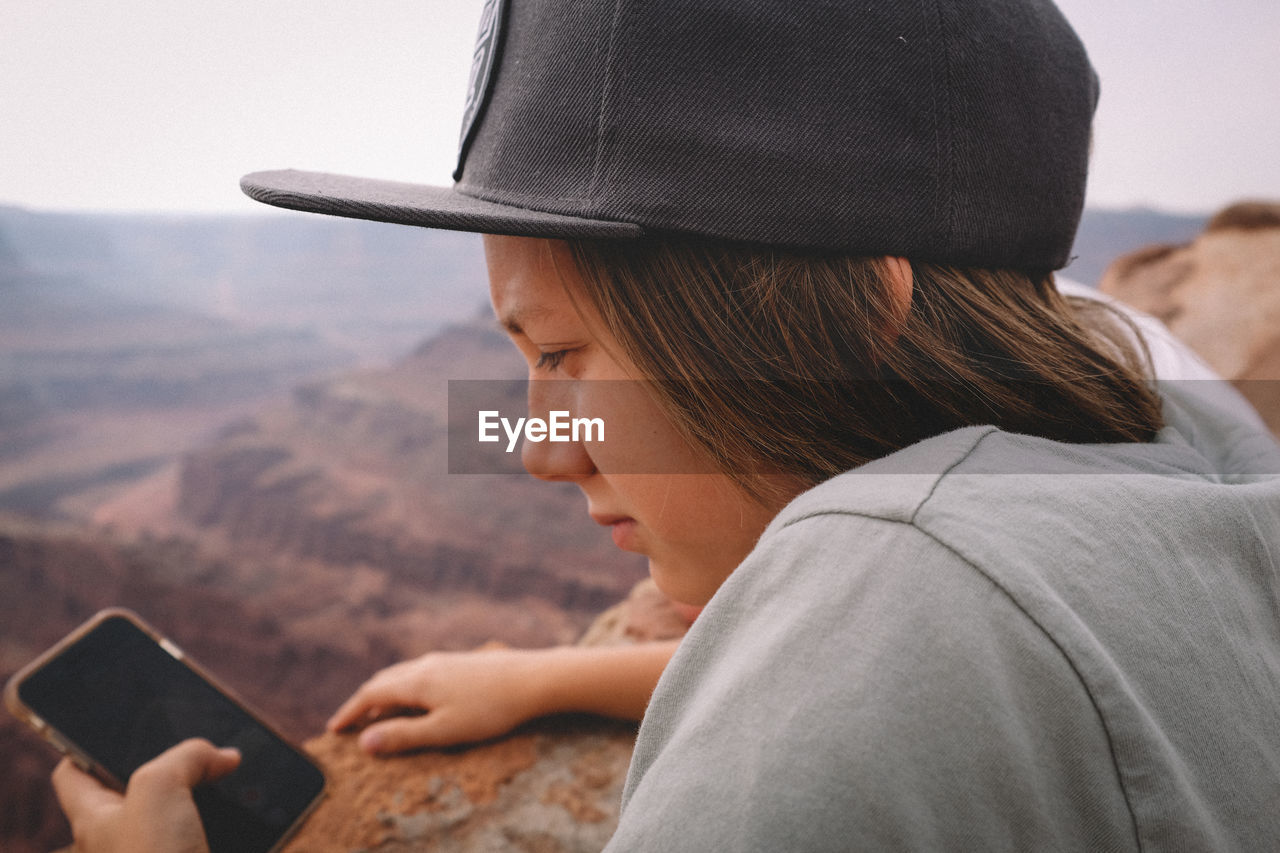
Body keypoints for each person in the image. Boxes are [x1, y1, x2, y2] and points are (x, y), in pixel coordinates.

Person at [53, 1, 1280, 851]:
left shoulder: (891, 595)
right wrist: (554, 675)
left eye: (558, 355)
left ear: (855, 322)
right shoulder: (1180, 440)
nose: (535, 446)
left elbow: (881, 651)